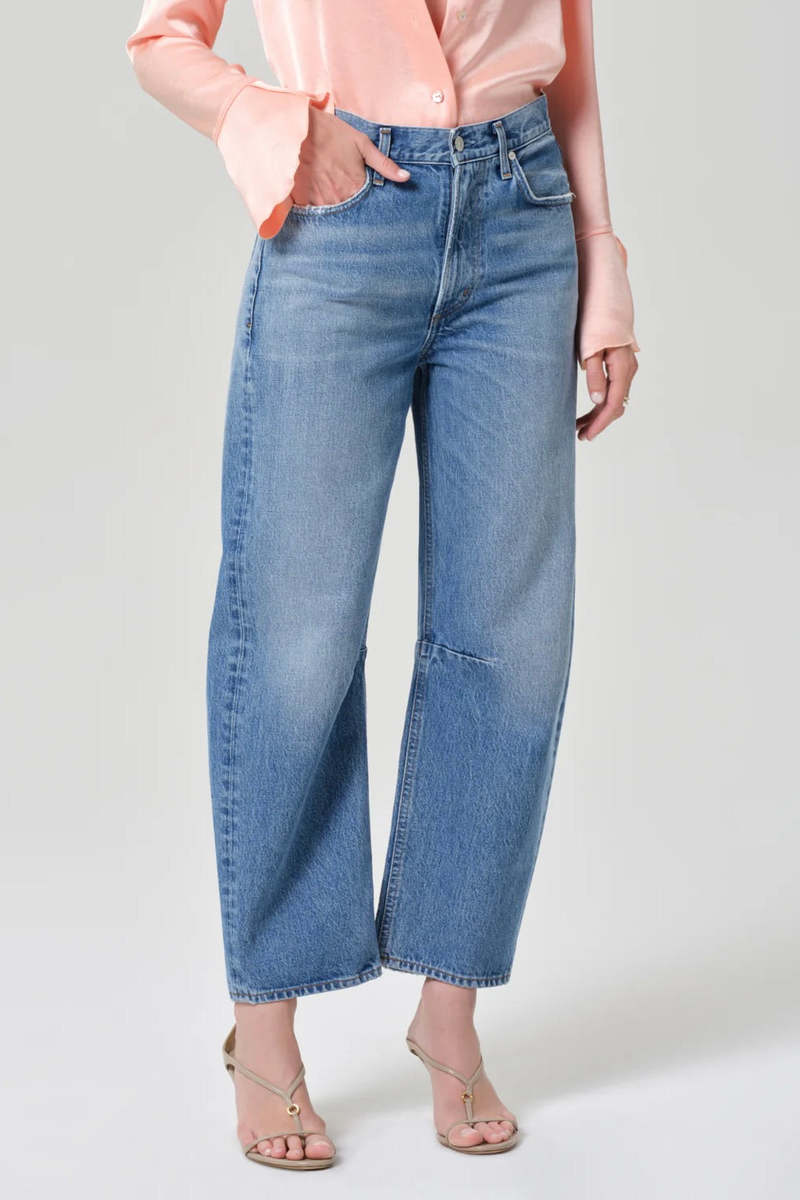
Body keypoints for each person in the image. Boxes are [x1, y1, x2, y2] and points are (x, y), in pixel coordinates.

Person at [125, 0, 639, 1171]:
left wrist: (602, 269)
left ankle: (447, 1016)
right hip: (339, 220)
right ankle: (265, 1029)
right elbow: (161, 39)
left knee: (508, 644)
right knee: (293, 639)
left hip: (522, 223)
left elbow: (569, 58)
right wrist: (276, 125)